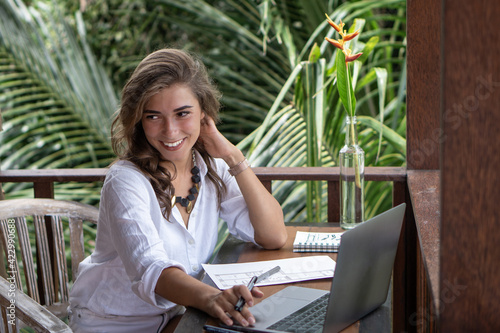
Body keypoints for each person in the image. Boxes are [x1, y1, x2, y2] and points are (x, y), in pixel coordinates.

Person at [69, 48, 287, 332]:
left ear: (203, 115)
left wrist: (233, 157)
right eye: (153, 116)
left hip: (179, 317)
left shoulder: (212, 169)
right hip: (114, 323)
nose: (170, 131)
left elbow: (273, 235)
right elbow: (152, 269)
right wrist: (213, 299)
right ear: (138, 120)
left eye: (182, 113)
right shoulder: (125, 181)